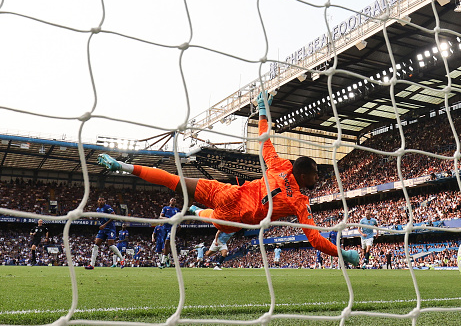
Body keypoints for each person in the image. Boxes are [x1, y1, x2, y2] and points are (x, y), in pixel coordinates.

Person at [96, 92, 358, 267]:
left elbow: (264, 141)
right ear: (304, 174)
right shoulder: (299, 201)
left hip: (228, 192)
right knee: (210, 218)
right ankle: (199, 214)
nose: (318, 176)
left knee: (174, 181)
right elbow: (314, 239)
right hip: (236, 218)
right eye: (315, 173)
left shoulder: (281, 166)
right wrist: (343, 254)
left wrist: (264, 111)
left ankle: (122, 165)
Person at [85, 197, 125, 269]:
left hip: (110, 228)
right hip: (103, 229)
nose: (101, 201)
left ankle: (122, 260)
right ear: (97, 201)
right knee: (96, 245)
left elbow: (113, 216)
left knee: (111, 245)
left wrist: (104, 225)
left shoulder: (107, 207)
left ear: (104, 201)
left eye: (102, 200)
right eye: (99, 200)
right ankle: (92, 265)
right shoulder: (98, 209)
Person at [159, 197, 180, 268]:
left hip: (172, 228)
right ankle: (167, 258)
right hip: (164, 228)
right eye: (172, 200)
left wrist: (178, 225)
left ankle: (162, 263)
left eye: (175, 200)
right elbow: (160, 217)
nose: (173, 201)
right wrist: (168, 219)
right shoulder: (165, 208)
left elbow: (179, 220)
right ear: (169, 201)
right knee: (165, 246)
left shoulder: (177, 210)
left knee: (166, 243)